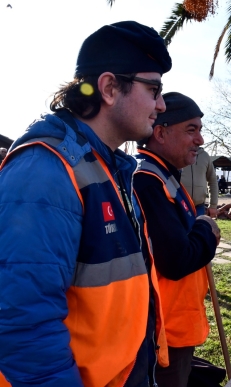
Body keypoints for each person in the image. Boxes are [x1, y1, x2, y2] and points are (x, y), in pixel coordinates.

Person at [0, 21, 172, 386]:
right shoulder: (45, 172)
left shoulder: (111, 167)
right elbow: (24, 326)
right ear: (110, 87)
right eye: (154, 89)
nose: (161, 104)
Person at [133, 92, 220, 386]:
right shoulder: (147, 181)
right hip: (163, 333)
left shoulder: (166, 176)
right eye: (191, 130)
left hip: (176, 326)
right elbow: (176, 260)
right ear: (160, 132)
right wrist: (207, 229)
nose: (200, 140)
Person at [181, 146, 218, 217]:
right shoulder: (178, 153)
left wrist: (213, 205)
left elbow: (212, 180)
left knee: (199, 228)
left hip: (199, 206)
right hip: (180, 205)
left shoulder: (205, 156)